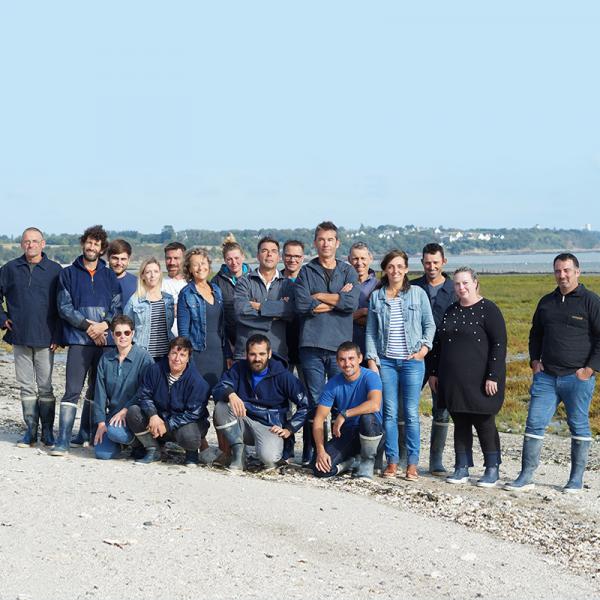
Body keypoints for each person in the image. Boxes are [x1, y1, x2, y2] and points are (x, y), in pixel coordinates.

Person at [505, 253, 600, 493]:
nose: (562, 275)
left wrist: (590, 370)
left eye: (567, 270)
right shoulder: (546, 302)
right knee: (534, 424)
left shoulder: (591, 301)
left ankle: (575, 479)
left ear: (577, 272)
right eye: (558, 271)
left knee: (578, 425)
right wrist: (534, 362)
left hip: (577, 378)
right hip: (546, 377)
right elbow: (535, 333)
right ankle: (526, 476)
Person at [428, 267, 507, 487]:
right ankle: (461, 467)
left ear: (475, 283)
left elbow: (499, 346)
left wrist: (493, 376)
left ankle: (492, 468)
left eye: (465, 283)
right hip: (452, 379)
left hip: (482, 380)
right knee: (460, 422)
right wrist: (433, 372)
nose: (461, 288)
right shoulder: (451, 310)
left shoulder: (489, 309)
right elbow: (438, 344)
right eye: (457, 284)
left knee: (484, 423)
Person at [50, 225, 121, 456]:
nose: (91, 247)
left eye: (96, 244)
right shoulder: (68, 274)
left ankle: (86, 434)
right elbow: (64, 307)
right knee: (72, 389)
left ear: (102, 249)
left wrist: (104, 326)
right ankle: (62, 440)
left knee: (95, 391)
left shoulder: (110, 276)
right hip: (79, 340)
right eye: (89, 242)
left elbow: (116, 306)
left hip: (104, 342)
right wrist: (90, 327)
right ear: (83, 244)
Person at [365, 249, 435, 481]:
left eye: (399, 266)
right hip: (386, 362)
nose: (395, 271)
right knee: (390, 413)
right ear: (385, 269)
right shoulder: (377, 297)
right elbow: (371, 332)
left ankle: (412, 464)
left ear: (406, 269)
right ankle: (392, 462)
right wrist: (372, 360)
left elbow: (429, 325)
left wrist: (424, 349)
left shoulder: (418, 293)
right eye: (390, 266)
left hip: (412, 363)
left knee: (412, 414)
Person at [295, 221, 360, 465]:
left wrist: (319, 296)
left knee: (340, 402)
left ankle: (339, 451)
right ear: (315, 243)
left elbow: (350, 304)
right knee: (315, 402)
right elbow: (302, 305)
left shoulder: (347, 271)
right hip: (311, 345)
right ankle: (311, 452)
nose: (325, 244)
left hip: (339, 348)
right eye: (321, 239)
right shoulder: (306, 271)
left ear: (337, 243)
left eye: (330, 239)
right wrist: (337, 300)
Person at [0, 227, 62, 447]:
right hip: (19, 336)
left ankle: (47, 432)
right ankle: (30, 432)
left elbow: (62, 306)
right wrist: (2, 318)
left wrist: (59, 334)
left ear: (43, 244)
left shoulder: (55, 270)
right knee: (26, 386)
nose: (31, 245)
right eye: (27, 241)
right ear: (21, 244)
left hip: (47, 339)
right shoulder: (9, 269)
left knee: (45, 387)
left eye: (35, 241)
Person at [212, 334, 308, 471]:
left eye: (262, 354)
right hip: (244, 420)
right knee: (221, 406)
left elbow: (305, 405)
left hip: (269, 426)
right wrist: (230, 394)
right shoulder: (239, 369)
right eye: (253, 354)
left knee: (268, 459)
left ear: (269, 354)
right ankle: (238, 454)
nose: (257, 359)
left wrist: (289, 429)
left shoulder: (283, 375)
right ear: (246, 354)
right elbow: (218, 388)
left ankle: (276, 452)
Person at [126, 337, 211, 466]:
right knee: (133, 412)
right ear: (168, 354)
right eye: (174, 353)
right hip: (158, 422)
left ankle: (191, 453)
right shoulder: (154, 370)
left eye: (182, 355)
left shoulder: (198, 382)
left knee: (189, 433)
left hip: (182, 424)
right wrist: (153, 415)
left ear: (188, 358)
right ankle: (153, 449)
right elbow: (143, 395)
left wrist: (167, 425)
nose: (177, 359)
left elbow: (193, 413)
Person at [411, 242, 457, 475]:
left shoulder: (454, 288)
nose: (431, 267)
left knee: (442, 408)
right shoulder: (412, 286)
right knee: (406, 405)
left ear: (443, 262)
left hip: (445, 356)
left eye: (435, 263)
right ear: (422, 263)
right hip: (415, 354)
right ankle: (404, 456)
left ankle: (435, 460)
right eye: (427, 263)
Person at [313, 342, 383, 479]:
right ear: (338, 362)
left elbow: (375, 405)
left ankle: (367, 462)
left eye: (351, 358)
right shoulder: (332, 384)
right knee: (320, 469)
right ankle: (352, 462)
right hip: (348, 434)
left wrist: (344, 414)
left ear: (360, 358)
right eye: (342, 359)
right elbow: (319, 419)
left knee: (367, 417)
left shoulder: (371, 376)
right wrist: (320, 451)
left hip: (372, 433)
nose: (347, 364)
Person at [93, 315, 154, 460]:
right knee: (102, 454)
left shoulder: (144, 357)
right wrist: (101, 423)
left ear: (132, 333)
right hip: (113, 416)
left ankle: (139, 444)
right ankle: (127, 443)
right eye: (118, 333)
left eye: (126, 333)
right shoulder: (106, 359)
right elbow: (100, 393)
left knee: (114, 432)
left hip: (136, 415)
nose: (123, 337)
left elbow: (146, 391)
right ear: (112, 336)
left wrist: (126, 409)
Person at [233, 236, 295, 360]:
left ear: (279, 257)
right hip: (247, 353)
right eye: (264, 251)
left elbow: (291, 311)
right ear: (257, 255)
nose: (269, 254)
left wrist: (260, 306)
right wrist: (275, 314)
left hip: (277, 352)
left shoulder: (288, 285)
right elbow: (240, 312)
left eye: (273, 251)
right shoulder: (244, 282)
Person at [177, 247, 229, 389]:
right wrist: (186, 358)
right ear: (190, 269)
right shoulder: (186, 294)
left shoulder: (216, 290)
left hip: (219, 353)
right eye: (196, 264)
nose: (201, 267)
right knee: (197, 398)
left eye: (203, 263)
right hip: (198, 354)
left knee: (221, 396)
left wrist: (228, 353)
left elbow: (223, 326)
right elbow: (183, 333)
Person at [124, 257, 175, 360]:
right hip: (143, 356)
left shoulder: (168, 300)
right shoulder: (134, 301)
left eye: (156, 271)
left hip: (166, 356)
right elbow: (126, 329)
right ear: (142, 276)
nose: (152, 275)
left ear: (160, 274)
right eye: (148, 272)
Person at [212, 234, 250, 355]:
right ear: (224, 260)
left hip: (251, 338)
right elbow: (218, 317)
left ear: (243, 257)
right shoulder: (216, 281)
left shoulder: (254, 277)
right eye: (229, 259)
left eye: (237, 258)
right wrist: (228, 347)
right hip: (229, 340)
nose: (234, 262)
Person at [348, 242, 378, 359]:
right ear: (349, 259)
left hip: (373, 347)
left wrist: (350, 317)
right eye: (355, 259)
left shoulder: (379, 285)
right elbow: (335, 318)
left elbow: (380, 319)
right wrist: (363, 312)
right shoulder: (342, 284)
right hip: (348, 346)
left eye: (363, 258)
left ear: (370, 258)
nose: (359, 263)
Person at [161, 241, 187, 336]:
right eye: (168, 258)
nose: (172, 262)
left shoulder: (192, 284)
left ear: (184, 260)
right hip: (163, 341)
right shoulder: (157, 284)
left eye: (176, 258)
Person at [107, 239, 137, 307]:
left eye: (123, 259)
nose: (119, 263)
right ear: (108, 258)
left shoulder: (138, 284)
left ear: (129, 260)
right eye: (115, 258)